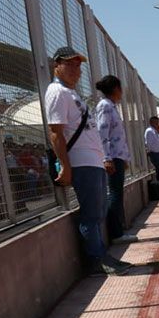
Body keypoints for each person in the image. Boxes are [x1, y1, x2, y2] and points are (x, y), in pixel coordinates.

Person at [45, 46, 131, 275]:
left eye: (78, 65)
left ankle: (102, 256)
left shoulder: (72, 94)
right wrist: (65, 165)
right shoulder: (57, 92)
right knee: (92, 213)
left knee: (100, 209)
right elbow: (55, 132)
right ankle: (97, 260)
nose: (75, 69)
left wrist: (102, 157)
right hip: (81, 161)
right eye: (69, 64)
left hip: (93, 160)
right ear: (57, 67)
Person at [95, 74, 137, 245]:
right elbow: (102, 133)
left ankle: (119, 229)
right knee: (114, 194)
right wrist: (107, 158)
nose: (122, 92)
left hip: (117, 157)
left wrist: (124, 158)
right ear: (115, 89)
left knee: (117, 193)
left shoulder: (111, 106)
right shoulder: (105, 106)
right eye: (120, 88)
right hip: (112, 157)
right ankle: (116, 232)